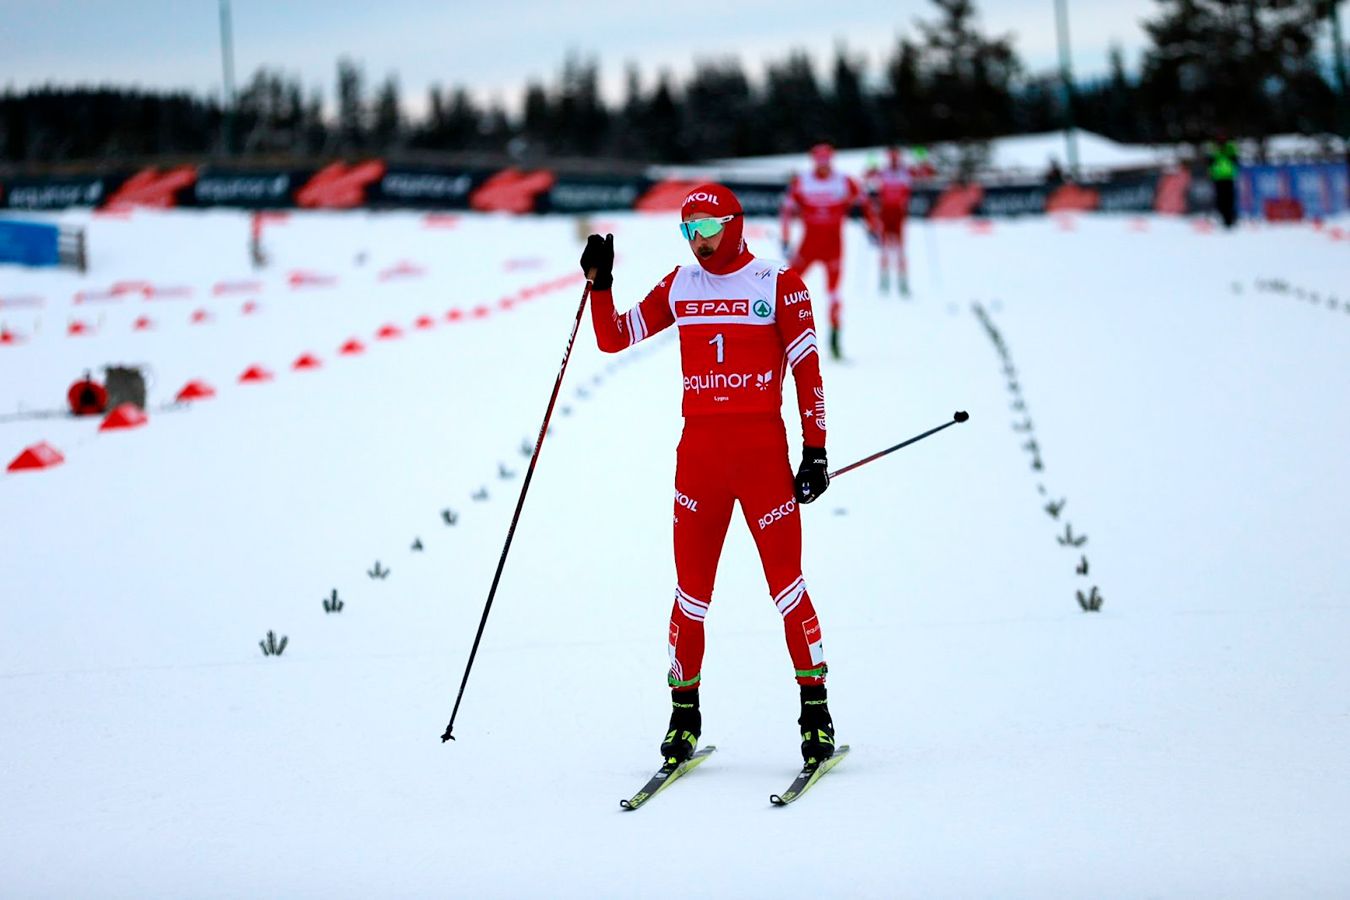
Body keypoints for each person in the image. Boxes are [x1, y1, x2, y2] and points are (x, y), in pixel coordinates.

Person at [581, 183, 838, 767]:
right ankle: (683, 717)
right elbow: (612, 336)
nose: (698, 243)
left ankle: (816, 714)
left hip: (763, 460)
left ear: (736, 224)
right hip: (699, 461)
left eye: (707, 230)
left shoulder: (780, 284)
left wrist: (815, 451)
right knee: (691, 596)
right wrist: (601, 287)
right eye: (687, 232)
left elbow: (808, 375)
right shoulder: (681, 285)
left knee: (787, 588)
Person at [780, 143, 878, 359]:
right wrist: (785, 238)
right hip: (808, 246)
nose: (823, 166)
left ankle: (834, 340)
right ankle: (780, 337)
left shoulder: (844, 180)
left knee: (834, 293)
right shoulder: (803, 181)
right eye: (819, 162)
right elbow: (787, 209)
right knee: (785, 288)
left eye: (826, 161)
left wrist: (872, 228)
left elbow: (866, 203)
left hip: (833, 246)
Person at [864, 146, 915, 296]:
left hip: (898, 214)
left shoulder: (904, 172)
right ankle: (884, 281)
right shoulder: (884, 172)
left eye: (895, 157)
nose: (893, 160)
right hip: (885, 214)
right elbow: (869, 178)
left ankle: (903, 282)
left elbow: (914, 182)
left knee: (900, 249)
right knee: (885, 248)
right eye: (891, 157)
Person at [1208, 137, 1239, 230]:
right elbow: (1210, 161)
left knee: (1229, 199)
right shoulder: (1213, 148)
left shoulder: (1230, 147)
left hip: (1229, 177)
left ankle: (1230, 219)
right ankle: (1224, 218)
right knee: (1221, 200)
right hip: (1218, 178)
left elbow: (1235, 159)